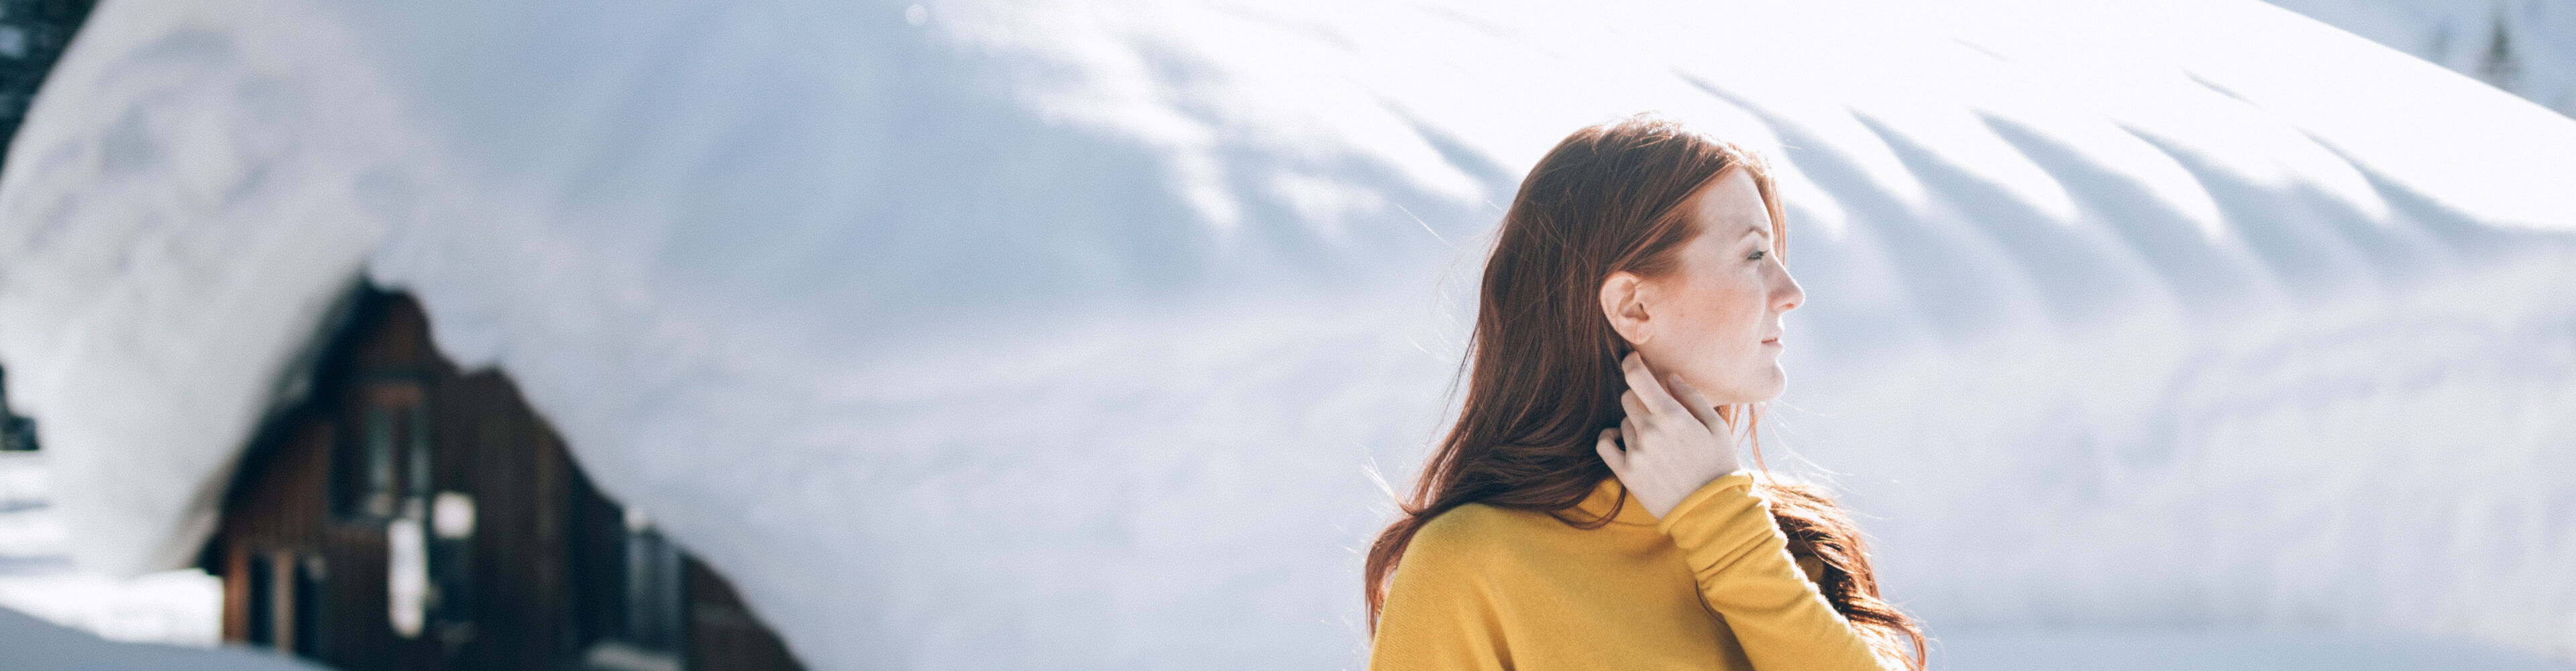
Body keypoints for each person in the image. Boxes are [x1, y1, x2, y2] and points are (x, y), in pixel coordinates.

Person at [1363, 114, 1926, 670]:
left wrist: (1722, 528)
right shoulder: (1468, 565)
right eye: (1755, 255)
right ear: (1634, 306)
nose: (1791, 291)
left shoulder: (1791, 539)